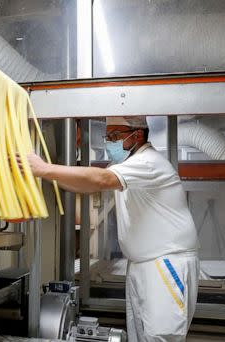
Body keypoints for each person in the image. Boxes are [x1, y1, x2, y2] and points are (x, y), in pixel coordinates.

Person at [18, 116, 199, 342]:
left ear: (137, 135)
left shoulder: (149, 162)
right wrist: (44, 172)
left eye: (114, 137)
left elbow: (101, 179)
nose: (109, 143)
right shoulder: (127, 166)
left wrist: (44, 168)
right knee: (141, 335)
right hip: (143, 264)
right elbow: (84, 185)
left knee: (161, 337)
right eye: (108, 137)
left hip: (165, 263)